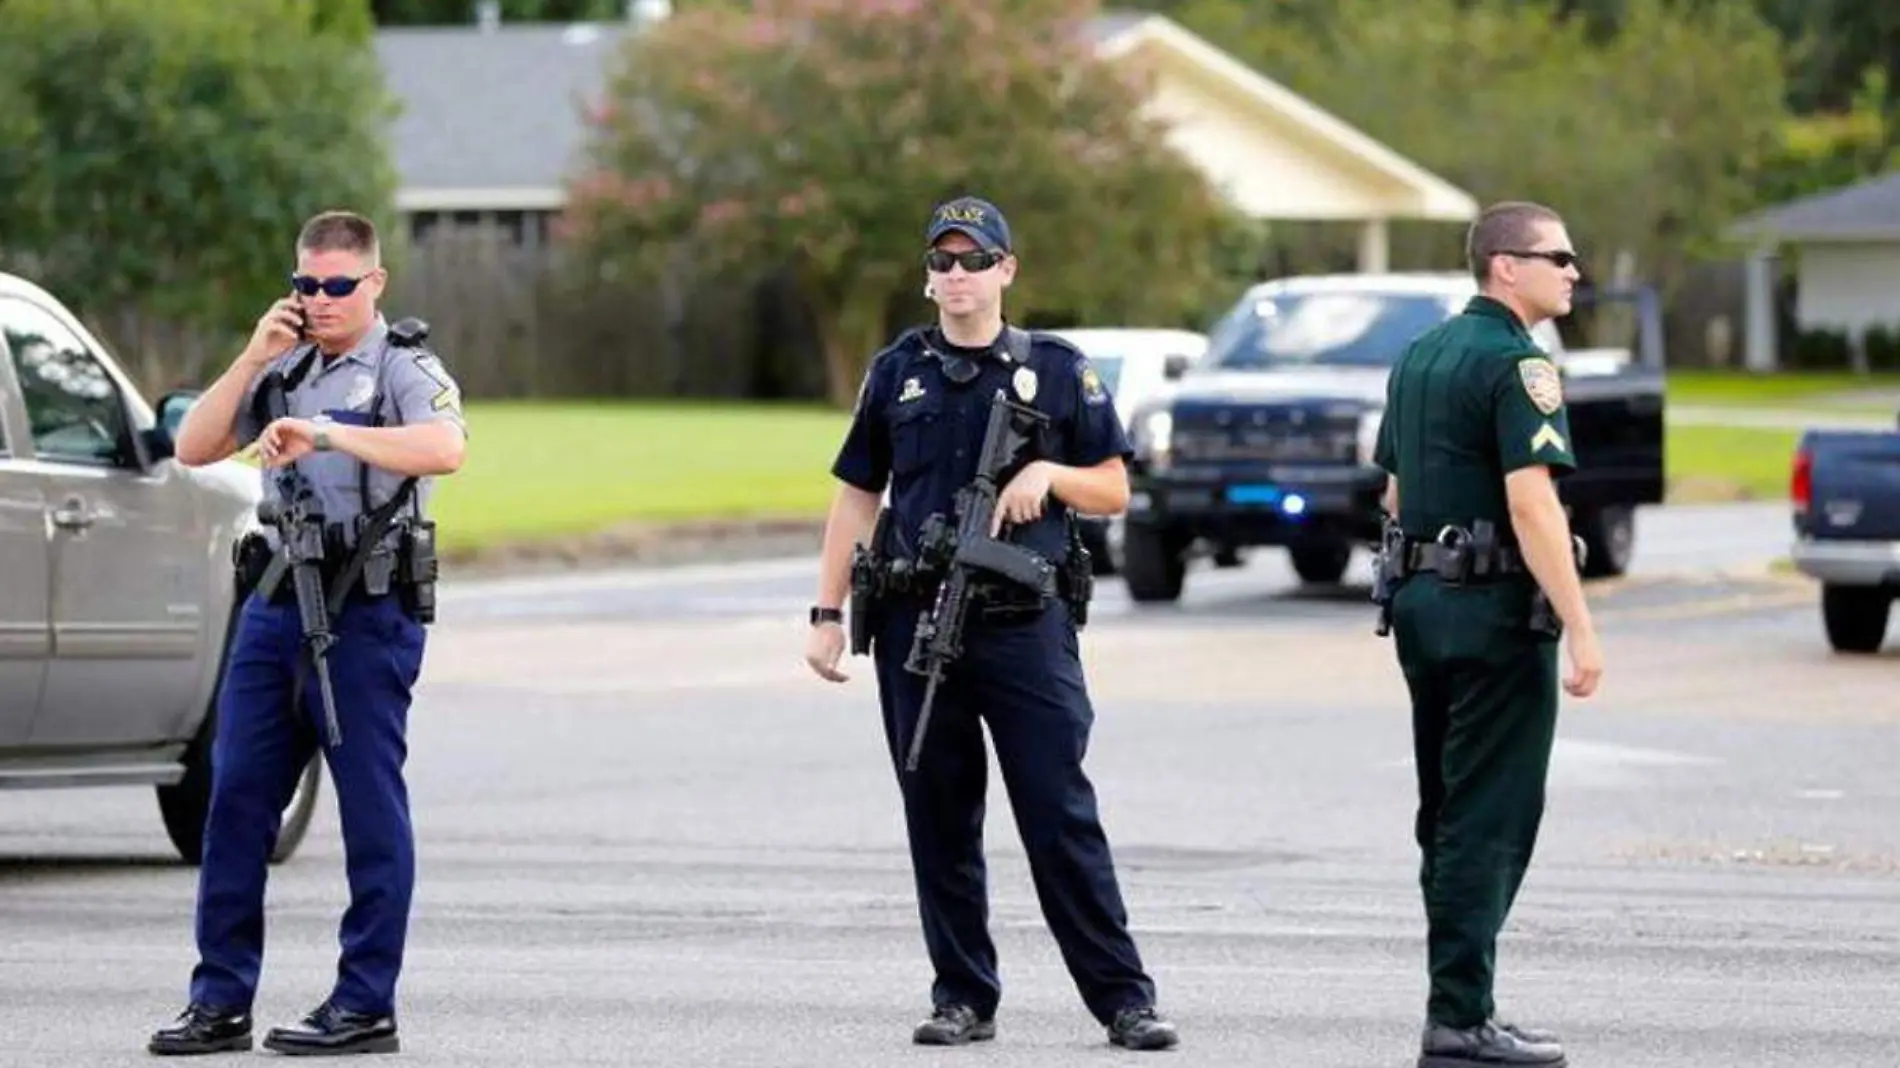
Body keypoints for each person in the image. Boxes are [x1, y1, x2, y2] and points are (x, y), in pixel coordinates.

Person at [803, 196, 1178, 1052]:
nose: (958, 276)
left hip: (1023, 625)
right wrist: (827, 614)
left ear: (1007, 270)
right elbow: (858, 494)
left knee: (1058, 814)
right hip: (916, 622)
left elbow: (1116, 487)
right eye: (943, 261)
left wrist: (1049, 472)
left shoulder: (1056, 369)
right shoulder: (898, 371)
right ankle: (963, 995)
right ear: (928, 276)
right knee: (937, 814)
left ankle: (1123, 998)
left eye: (975, 260)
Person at [149, 210, 467, 1057]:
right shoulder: (281, 367)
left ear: (374, 284)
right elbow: (193, 444)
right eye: (306, 285)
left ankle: (366, 1003)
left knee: (368, 808)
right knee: (235, 802)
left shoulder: (403, 366)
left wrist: (325, 432)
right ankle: (219, 1002)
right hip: (278, 602)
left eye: (336, 286)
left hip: (368, 608)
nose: (319, 301)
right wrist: (254, 355)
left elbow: (444, 449)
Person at [1372, 200, 1603, 1068]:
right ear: (1506, 266)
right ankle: (1460, 1017)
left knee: (1446, 809)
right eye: (1560, 256)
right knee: (1490, 816)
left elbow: (1394, 491)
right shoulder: (1520, 364)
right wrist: (1582, 627)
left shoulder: (1421, 355)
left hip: (1424, 606)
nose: (1574, 271)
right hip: (1497, 614)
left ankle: (1462, 1004)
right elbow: (1531, 500)